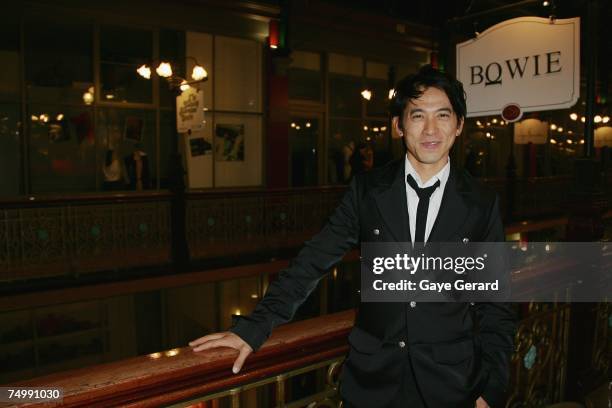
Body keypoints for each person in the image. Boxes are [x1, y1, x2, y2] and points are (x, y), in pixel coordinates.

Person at [189, 65, 516, 408]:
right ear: (398, 125)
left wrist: (490, 391)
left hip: (451, 387)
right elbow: (314, 259)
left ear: (459, 125)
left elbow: (497, 306)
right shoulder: (368, 191)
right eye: (417, 116)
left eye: (443, 115)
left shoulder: (480, 203)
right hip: (373, 384)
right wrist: (255, 326)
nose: (430, 129)